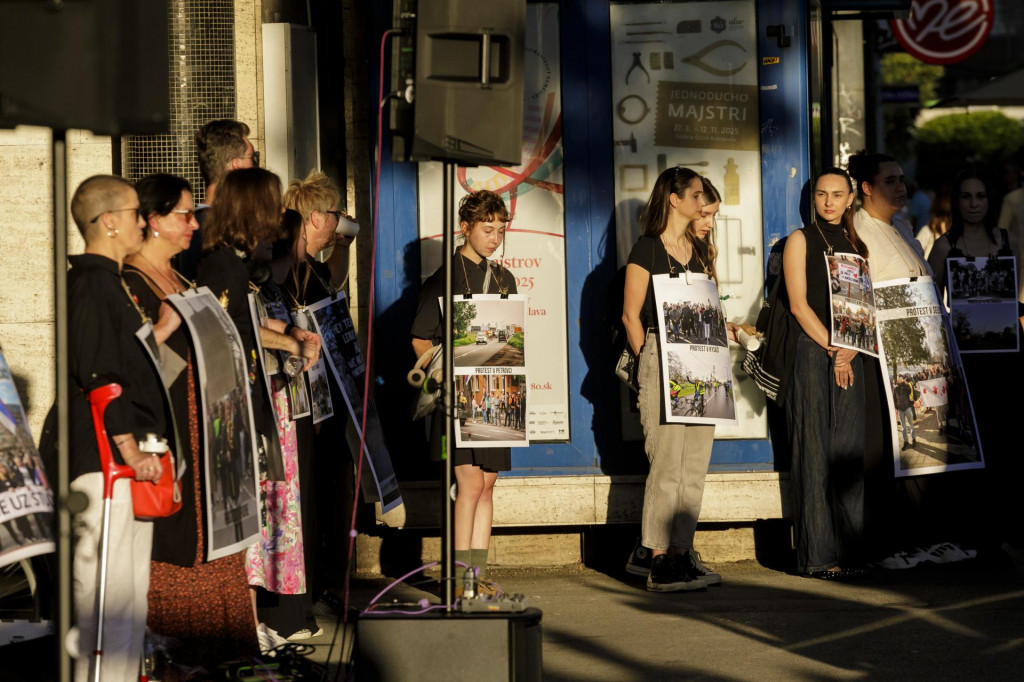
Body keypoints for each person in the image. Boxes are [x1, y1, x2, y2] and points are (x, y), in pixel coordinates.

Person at [122, 173, 258, 670]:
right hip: (175, 441)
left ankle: (225, 658)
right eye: (183, 214)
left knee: (220, 557)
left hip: (214, 441)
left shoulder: (183, 279)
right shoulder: (130, 284)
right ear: (154, 221)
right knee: (180, 557)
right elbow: (121, 366)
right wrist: (160, 332)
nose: (193, 223)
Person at [38, 175, 166, 681]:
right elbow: (100, 377)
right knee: (105, 598)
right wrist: (131, 451)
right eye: (136, 212)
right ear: (107, 222)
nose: (144, 221)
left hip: (122, 463)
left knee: (129, 599)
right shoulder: (91, 284)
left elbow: (128, 363)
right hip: (101, 464)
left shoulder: (113, 282)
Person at [195, 167, 322, 651]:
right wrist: (285, 343)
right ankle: (243, 628)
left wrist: (289, 337)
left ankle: (249, 624)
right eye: (270, 206)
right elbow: (230, 335)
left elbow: (248, 322)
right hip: (234, 407)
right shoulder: (222, 264)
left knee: (253, 522)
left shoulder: (240, 264)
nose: (277, 218)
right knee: (243, 523)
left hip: (248, 402)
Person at [621, 168, 737, 591]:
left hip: (703, 361)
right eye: (695, 195)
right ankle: (656, 557)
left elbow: (711, 309)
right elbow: (630, 317)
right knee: (667, 463)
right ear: (673, 199)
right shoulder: (647, 249)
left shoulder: (702, 251)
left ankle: (682, 552)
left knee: (694, 465)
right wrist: (649, 363)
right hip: (663, 357)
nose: (701, 204)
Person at [410, 190, 517, 591]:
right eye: (487, 229)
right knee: (468, 483)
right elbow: (420, 338)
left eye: (500, 229)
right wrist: (441, 374)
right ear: (465, 228)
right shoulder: (444, 277)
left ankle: (477, 576)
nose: (495, 237)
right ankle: (458, 578)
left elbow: (512, 338)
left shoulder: (505, 278)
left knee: (488, 482)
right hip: (458, 394)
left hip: (497, 387)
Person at [926, 168, 1023, 555]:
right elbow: (930, 301)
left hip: (1008, 358)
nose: (973, 204)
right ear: (956, 201)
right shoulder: (944, 245)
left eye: (980, 196)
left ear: (990, 200)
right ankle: (974, 533)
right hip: (966, 362)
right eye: (966, 197)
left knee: (1008, 443)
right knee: (970, 447)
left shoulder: (1008, 239)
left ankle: (1007, 529)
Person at [782, 167, 868, 579]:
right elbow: (798, 304)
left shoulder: (857, 243)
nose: (829, 201)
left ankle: (851, 552)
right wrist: (833, 348)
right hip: (813, 350)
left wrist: (850, 350)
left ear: (851, 199)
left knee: (848, 455)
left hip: (854, 354)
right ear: (813, 200)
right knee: (813, 453)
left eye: (837, 194)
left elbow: (865, 306)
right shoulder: (800, 240)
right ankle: (818, 557)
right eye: (821, 194)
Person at [175, 119, 259, 279]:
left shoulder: (210, 223)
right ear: (236, 165)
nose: (256, 166)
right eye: (252, 158)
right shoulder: (206, 228)